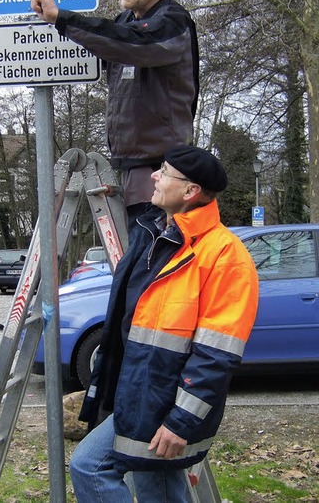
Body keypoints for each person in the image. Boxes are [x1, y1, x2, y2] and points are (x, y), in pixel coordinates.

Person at [68, 145, 259, 502]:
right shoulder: (155, 234)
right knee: (158, 486)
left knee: (90, 465)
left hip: (164, 406)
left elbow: (217, 355)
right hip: (142, 394)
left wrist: (180, 421)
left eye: (165, 172)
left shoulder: (226, 257)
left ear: (190, 192)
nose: (154, 176)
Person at [31, 0, 199, 223]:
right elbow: (110, 41)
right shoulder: (124, 22)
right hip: (126, 166)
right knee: (135, 258)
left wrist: (62, 19)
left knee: (151, 260)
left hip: (161, 172)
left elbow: (130, 43)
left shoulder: (173, 22)